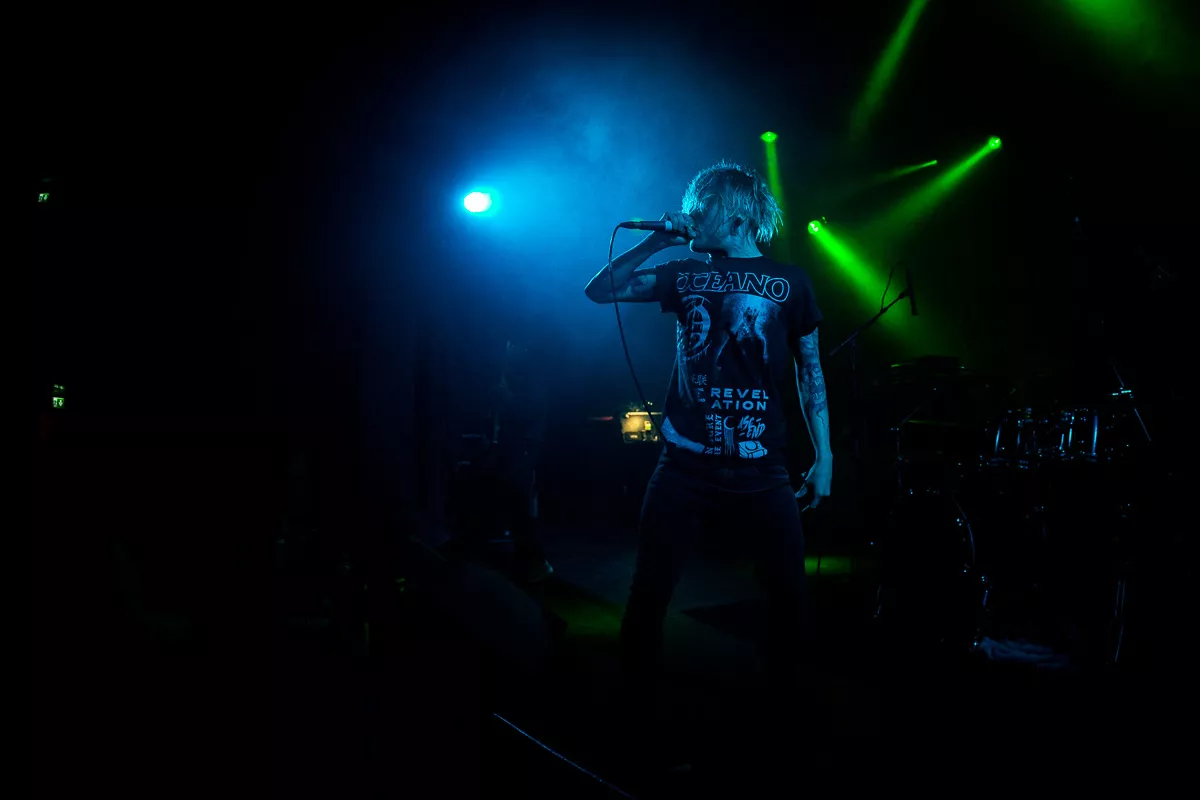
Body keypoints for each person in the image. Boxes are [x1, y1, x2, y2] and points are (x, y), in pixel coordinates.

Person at [583, 161, 832, 752]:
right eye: (690, 207)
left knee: (787, 600)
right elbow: (600, 291)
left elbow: (811, 372)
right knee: (649, 593)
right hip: (684, 467)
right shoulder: (685, 272)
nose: (691, 215)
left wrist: (825, 455)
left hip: (763, 468)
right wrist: (657, 242)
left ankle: (784, 726)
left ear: (738, 216)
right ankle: (633, 721)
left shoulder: (791, 281)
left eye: (703, 207)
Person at [489, 336, 554, 583]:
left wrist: (507, 399)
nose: (509, 349)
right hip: (515, 445)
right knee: (513, 503)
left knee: (520, 504)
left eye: (512, 345)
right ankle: (526, 561)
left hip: (524, 446)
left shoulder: (532, 377)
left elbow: (532, 410)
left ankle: (536, 561)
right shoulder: (515, 375)